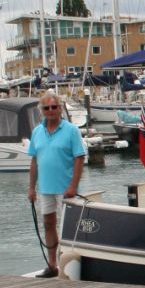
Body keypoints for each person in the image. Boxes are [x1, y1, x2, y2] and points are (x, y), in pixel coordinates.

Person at [28, 92, 86, 277]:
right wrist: (31, 188)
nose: (51, 110)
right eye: (47, 108)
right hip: (45, 189)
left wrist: (73, 187)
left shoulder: (71, 130)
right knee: (48, 224)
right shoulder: (37, 132)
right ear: (42, 111)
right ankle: (52, 265)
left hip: (66, 190)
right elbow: (34, 161)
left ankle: (69, 265)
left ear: (60, 108)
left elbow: (79, 158)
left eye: (54, 107)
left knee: (69, 228)